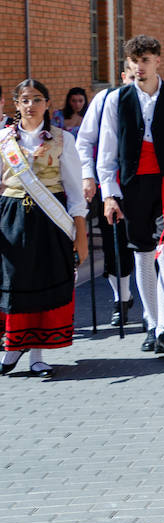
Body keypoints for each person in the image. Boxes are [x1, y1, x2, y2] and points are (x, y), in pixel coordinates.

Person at [96, 35, 164, 355]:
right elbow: (107, 150)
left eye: (145, 60)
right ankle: (151, 322)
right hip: (133, 186)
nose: (139, 67)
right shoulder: (116, 100)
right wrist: (109, 194)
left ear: (158, 61)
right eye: (134, 62)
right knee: (143, 255)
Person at [0, 80, 88, 376]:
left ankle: (36, 355)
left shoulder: (63, 139)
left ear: (47, 104)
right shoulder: (3, 139)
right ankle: (13, 348)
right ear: (16, 104)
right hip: (11, 217)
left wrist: (80, 233)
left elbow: (74, 190)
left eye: (37, 99)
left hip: (50, 219)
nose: (31, 105)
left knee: (42, 281)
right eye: (25, 99)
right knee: (15, 282)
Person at [78, 62, 140, 327]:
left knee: (144, 245)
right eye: (132, 77)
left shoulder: (156, 101)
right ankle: (121, 298)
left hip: (145, 185)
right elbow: (85, 140)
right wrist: (87, 175)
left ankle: (152, 307)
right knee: (115, 242)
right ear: (124, 76)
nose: (137, 82)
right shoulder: (104, 99)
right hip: (111, 185)